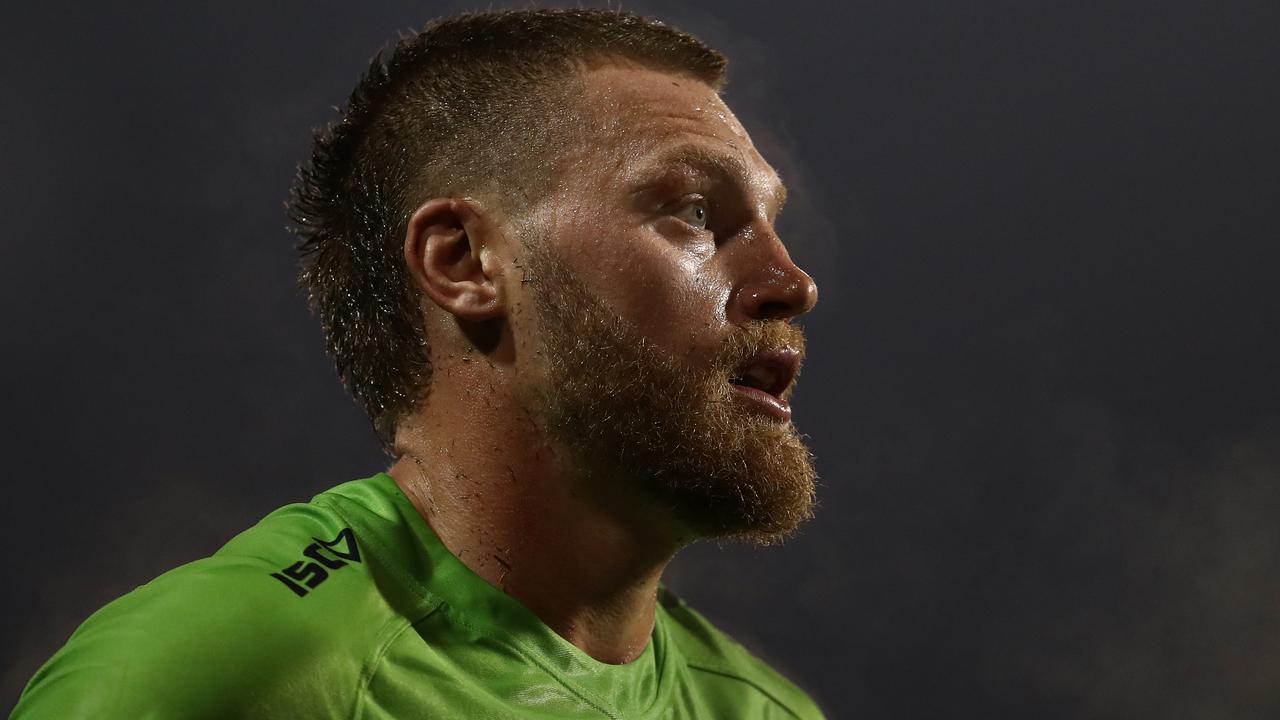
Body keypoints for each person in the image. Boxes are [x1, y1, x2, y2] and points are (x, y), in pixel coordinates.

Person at [13, 8, 823, 718]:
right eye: (693, 211)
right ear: (466, 262)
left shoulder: (762, 710)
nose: (793, 284)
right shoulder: (213, 680)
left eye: (772, 226)